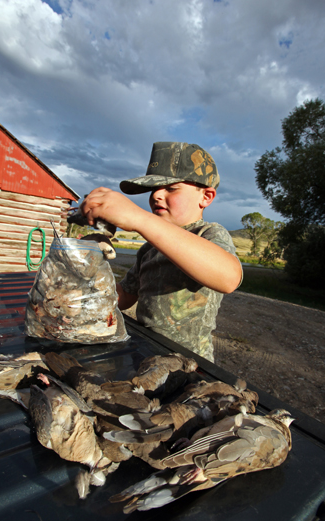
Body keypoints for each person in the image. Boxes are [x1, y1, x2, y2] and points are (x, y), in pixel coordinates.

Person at [80, 141, 242, 361]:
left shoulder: (209, 233)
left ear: (206, 197)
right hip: (143, 352)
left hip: (188, 364)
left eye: (171, 188)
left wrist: (138, 217)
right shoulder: (149, 247)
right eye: (153, 189)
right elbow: (125, 297)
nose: (156, 195)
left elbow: (228, 277)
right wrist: (92, 261)